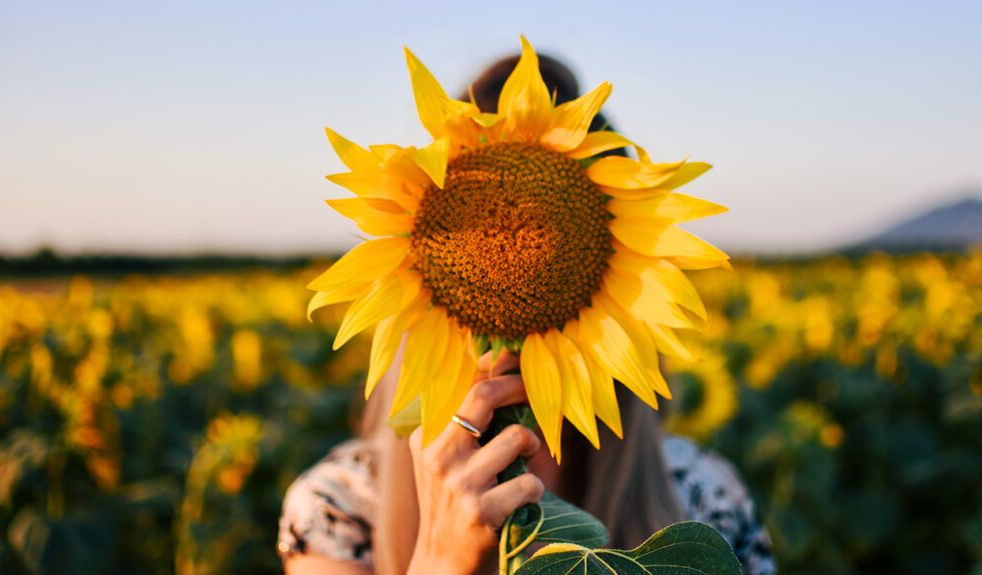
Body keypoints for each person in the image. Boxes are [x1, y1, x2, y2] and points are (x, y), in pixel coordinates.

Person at [278, 53, 776, 575]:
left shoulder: (705, 498)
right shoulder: (340, 509)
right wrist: (439, 560)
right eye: (468, 233)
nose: (509, 248)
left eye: (551, 240)